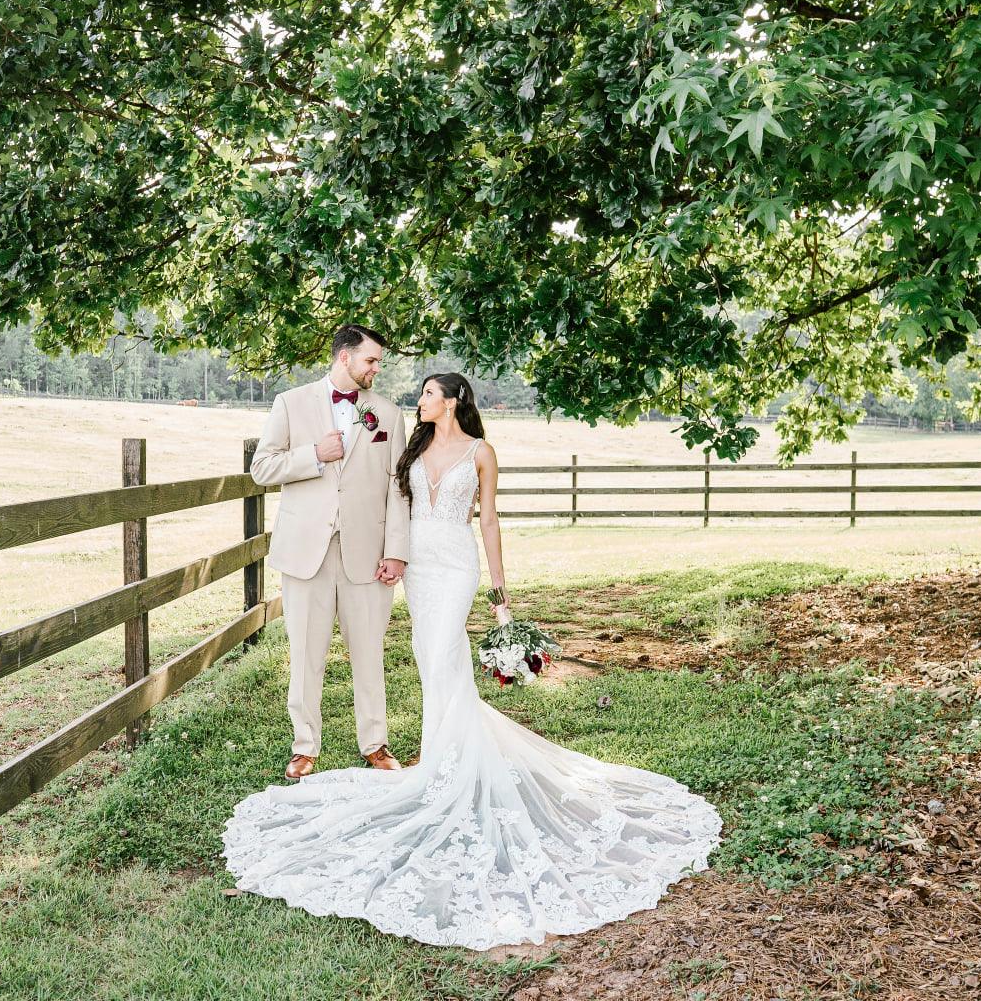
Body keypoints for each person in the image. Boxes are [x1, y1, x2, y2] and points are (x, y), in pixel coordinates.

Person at [223, 371, 721, 949]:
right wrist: (391, 552)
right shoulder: (412, 444)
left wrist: (500, 589)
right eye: (421, 393)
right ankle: (443, 760)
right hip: (416, 564)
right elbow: (389, 498)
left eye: (430, 393)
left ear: (455, 401)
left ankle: (446, 767)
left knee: (442, 656)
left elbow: (488, 518)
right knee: (431, 661)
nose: (420, 400)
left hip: (457, 566)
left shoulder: (482, 452)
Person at [248, 323, 411, 780]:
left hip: (368, 555)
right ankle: (305, 746)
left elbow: (398, 488)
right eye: (371, 360)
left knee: (369, 654)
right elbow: (262, 468)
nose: (376, 369)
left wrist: (396, 551)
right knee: (305, 655)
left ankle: (375, 743)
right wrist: (314, 455)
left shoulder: (388, 414)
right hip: (306, 553)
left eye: (378, 362)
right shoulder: (290, 403)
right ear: (345, 357)